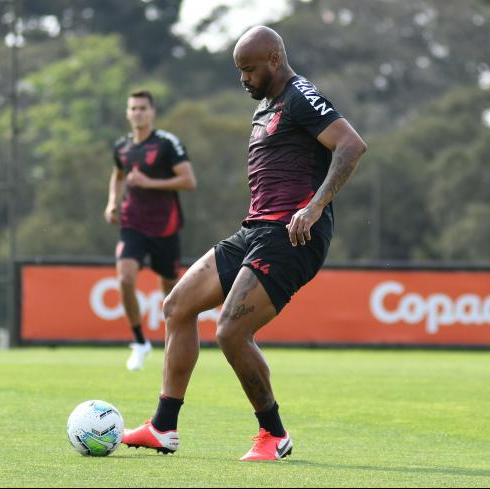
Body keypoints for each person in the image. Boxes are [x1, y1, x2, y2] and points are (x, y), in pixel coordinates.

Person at [122, 26, 367, 461]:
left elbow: (351, 145)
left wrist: (314, 206)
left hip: (292, 235)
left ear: (274, 59)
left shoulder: (299, 95)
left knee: (231, 331)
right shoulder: (267, 108)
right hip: (254, 231)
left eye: (249, 70)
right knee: (177, 306)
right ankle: (163, 427)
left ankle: (274, 434)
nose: (243, 79)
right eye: (239, 71)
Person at [104, 90, 196, 371]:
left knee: (171, 294)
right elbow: (118, 175)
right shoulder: (122, 146)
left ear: (152, 111)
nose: (138, 113)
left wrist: (148, 182)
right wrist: (111, 203)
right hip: (132, 224)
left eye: (143, 108)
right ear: (127, 113)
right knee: (125, 278)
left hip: (164, 227)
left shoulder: (168, 144)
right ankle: (140, 342)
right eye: (133, 108)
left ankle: (173, 343)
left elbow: (188, 180)